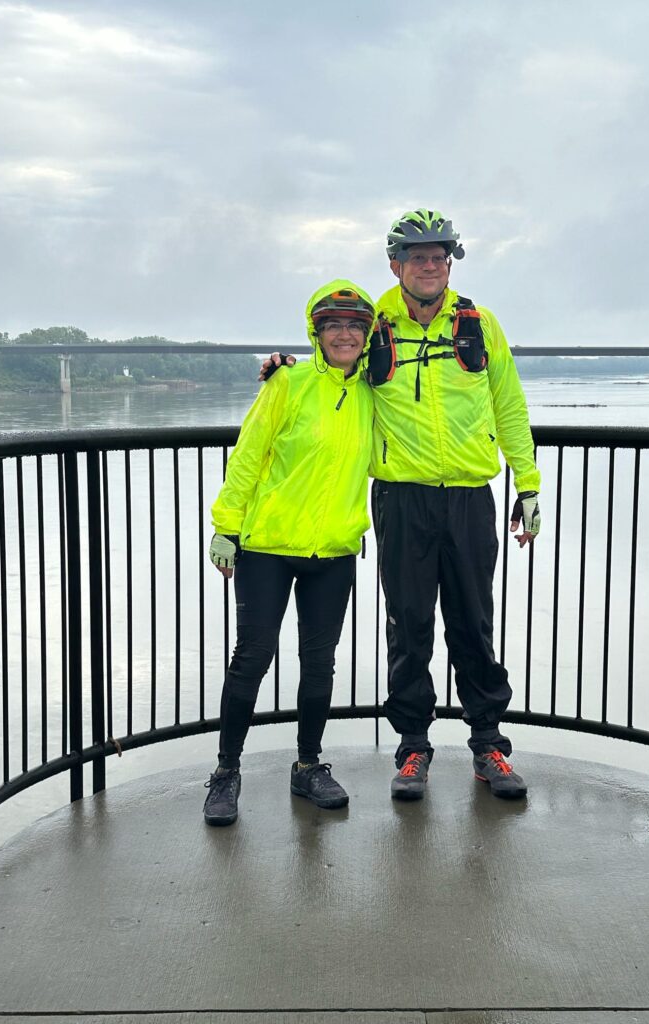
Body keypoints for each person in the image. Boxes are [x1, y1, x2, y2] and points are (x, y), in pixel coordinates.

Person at [263, 209, 541, 803]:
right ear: (396, 265)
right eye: (417, 257)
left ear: (449, 263)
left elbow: (510, 406)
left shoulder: (479, 325)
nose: (430, 265)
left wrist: (529, 484)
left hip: (470, 496)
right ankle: (413, 745)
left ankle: (488, 743)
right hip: (402, 497)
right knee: (409, 626)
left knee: (473, 621)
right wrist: (284, 368)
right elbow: (330, 365)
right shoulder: (378, 326)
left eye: (439, 256)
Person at [203, 280, 375, 826]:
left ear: (367, 335)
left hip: (334, 551)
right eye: (333, 325)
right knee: (252, 657)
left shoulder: (376, 392)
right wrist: (226, 527)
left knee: (318, 662)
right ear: (316, 333)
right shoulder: (288, 383)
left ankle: (308, 766)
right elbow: (249, 456)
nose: (344, 334)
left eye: (354, 325)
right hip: (268, 547)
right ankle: (226, 772)